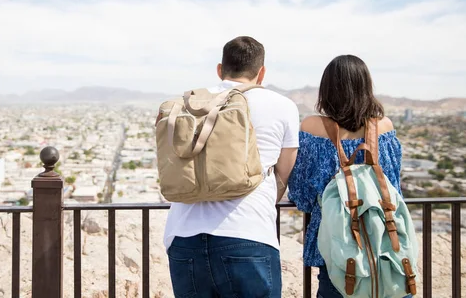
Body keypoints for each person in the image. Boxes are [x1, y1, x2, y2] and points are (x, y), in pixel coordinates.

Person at [162, 36, 300, 298]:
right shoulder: (282, 106)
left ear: (219, 69)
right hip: (249, 234)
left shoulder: (190, 103)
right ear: (262, 72)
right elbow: (285, 171)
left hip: (183, 235)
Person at [287, 54, 409, 298]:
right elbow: (393, 185)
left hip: (336, 242)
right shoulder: (383, 126)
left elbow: (302, 194)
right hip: (382, 240)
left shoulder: (313, 127)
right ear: (366, 87)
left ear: (327, 89)